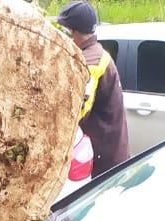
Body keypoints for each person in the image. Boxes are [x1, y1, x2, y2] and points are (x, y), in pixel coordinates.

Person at [55, 1, 130, 176]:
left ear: (73, 32)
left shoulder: (91, 63)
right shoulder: (94, 53)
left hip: (104, 161)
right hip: (108, 152)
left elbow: (79, 110)